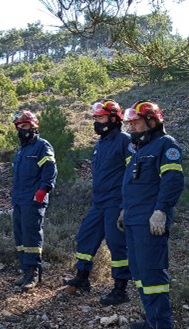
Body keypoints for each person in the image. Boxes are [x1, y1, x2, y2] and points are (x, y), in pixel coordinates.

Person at [119, 100, 184, 329]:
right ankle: (151, 319)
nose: (132, 128)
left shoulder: (166, 145)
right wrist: (124, 209)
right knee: (139, 271)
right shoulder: (139, 151)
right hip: (135, 219)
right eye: (130, 123)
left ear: (152, 121)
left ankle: (161, 324)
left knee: (152, 272)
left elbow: (173, 181)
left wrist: (161, 210)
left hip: (151, 221)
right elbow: (132, 185)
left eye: (136, 123)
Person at [64, 100, 133, 305]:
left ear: (114, 119)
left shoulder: (125, 140)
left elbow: (131, 174)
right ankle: (82, 278)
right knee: (85, 237)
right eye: (95, 118)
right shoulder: (100, 143)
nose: (97, 122)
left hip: (115, 202)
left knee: (117, 244)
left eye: (100, 118)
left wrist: (125, 204)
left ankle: (120, 289)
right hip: (98, 202)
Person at [11, 110, 57, 290]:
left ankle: (34, 273)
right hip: (19, 199)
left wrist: (43, 190)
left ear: (33, 126)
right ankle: (25, 271)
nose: (21, 130)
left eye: (25, 126)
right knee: (21, 236)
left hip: (34, 199)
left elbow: (50, 170)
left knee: (32, 235)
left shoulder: (42, 146)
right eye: (19, 127)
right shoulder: (22, 151)